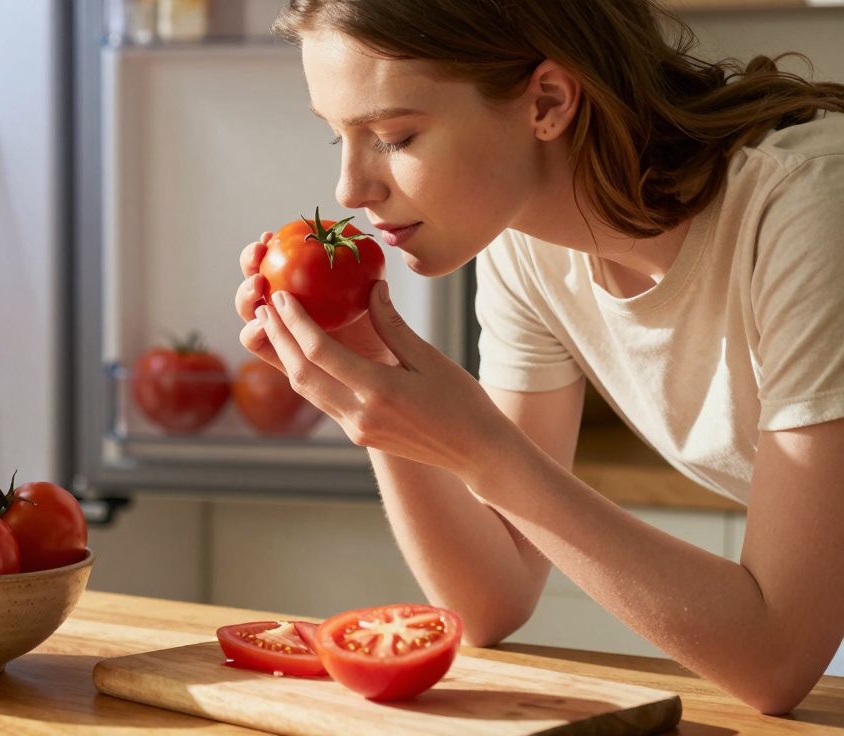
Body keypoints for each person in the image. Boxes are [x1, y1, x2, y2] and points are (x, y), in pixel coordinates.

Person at [234, 0, 844, 715]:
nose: (350, 190)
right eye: (338, 137)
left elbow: (775, 656)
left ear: (548, 101)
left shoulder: (807, 211)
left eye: (395, 136)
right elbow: (491, 597)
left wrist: (484, 449)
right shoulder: (526, 240)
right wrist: (372, 374)